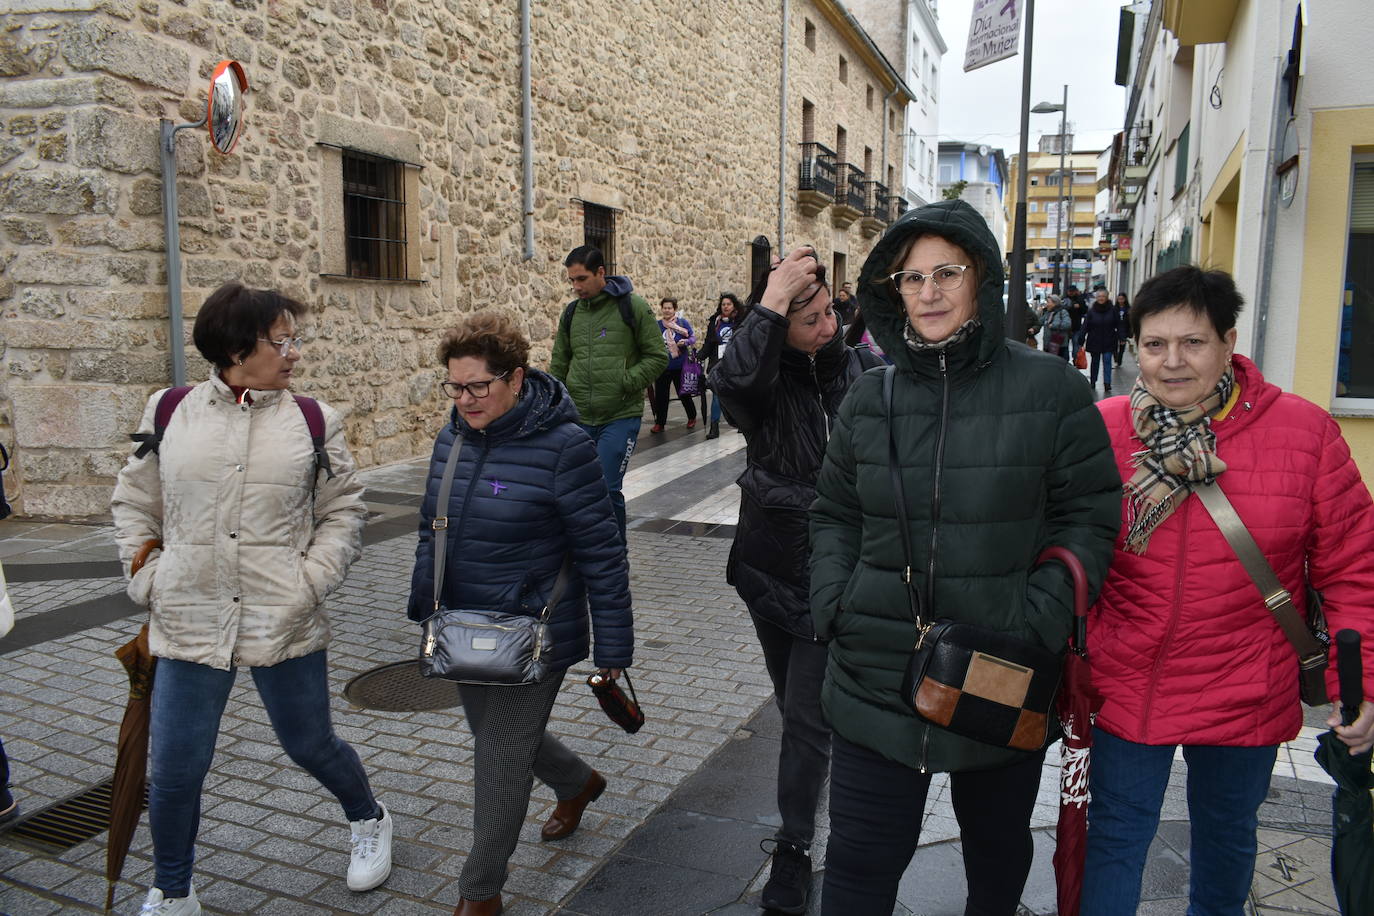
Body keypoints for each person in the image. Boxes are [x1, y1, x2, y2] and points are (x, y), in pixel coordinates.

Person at [808, 198, 1122, 915]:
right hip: (873, 672)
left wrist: (1033, 616)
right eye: (910, 279)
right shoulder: (868, 397)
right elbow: (835, 513)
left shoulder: (1052, 391)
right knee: (858, 867)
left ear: (980, 276)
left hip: (1003, 667)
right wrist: (837, 602)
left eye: (945, 272)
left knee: (997, 851)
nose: (928, 292)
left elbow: (1090, 515)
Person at [1080, 266, 1374, 915]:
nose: (1172, 362)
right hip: (1131, 681)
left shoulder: (1304, 433)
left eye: (1193, 342)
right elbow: (1063, 546)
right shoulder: (1101, 431)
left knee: (1226, 842)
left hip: (1249, 682)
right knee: (1115, 840)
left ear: (1229, 342)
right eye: (1155, 345)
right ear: (1134, 348)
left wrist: (1366, 685)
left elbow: (1355, 567)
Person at [111, 282, 390, 916]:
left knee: (310, 745)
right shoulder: (169, 411)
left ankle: (368, 817)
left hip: (280, 614)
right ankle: (173, 890)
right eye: (281, 340)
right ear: (238, 348)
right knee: (175, 769)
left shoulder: (313, 420)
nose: (294, 353)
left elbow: (344, 509)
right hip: (187, 615)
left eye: (294, 339)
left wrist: (310, 580)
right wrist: (147, 573)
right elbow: (134, 502)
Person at [409, 312, 633, 916]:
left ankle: (480, 892)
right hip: (463, 628)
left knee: (499, 756)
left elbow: (602, 552)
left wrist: (613, 647)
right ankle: (577, 782)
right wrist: (422, 607)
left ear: (516, 377)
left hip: (536, 634)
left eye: (477, 386)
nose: (464, 400)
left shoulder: (568, 448)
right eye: (455, 387)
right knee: (493, 736)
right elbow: (433, 529)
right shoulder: (451, 436)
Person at [709, 249, 883, 914]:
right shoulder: (763, 388)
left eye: (830, 311)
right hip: (769, 569)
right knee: (793, 707)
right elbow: (730, 384)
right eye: (807, 318)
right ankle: (810, 784)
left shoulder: (865, 373)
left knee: (807, 718)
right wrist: (771, 300)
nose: (827, 327)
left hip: (835, 579)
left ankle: (794, 844)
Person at [550, 245, 668, 545]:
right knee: (576, 488)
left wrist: (626, 382)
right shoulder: (572, 312)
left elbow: (657, 357)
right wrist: (553, 404)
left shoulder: (633, 307)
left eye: (582, 278)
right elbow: (560, 362)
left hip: (620, 416)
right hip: (578, 417)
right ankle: (584, 551)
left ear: (601, 272)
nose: (576, 287)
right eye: (571, 281)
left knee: (605, 486)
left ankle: (613, 554)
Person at [650, 297, 698, 433]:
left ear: (674, 309)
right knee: (661, 397)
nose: (667, 310)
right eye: (664, 308)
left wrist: (686, 342)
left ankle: (692, 417)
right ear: (661, 309)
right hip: (662, 366)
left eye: (669, 308)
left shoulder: (682, 323)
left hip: (679, 365)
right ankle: (660, 423)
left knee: (683, 394)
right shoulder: (657, 325)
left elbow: (692, 337)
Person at [701, 292, 743, 439]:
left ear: (734, 306)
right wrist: (699, 356)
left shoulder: (741, 321)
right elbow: (708, 343)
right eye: (723, 304)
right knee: (717, 395)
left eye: (728, 304)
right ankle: (714, 427)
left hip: (736, 362)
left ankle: (741, 423)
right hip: (717, 363)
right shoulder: (715, 322)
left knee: (737, 394)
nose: (725, 307)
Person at [1079, 287, 1124, 392]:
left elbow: (1119, 325)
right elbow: (1085, 326)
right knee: (1095, 362)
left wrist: (1122, 337)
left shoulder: (1113, 310)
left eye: (1103, 296)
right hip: (1094, 340)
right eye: (1099, 296)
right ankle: (1093, 381)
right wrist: (1081, 338)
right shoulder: (1092, 311)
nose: (1101, 298)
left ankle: (1107, 383)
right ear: (1096, 298)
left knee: (1107, 361)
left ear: (1107, 297)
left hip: (1109, 339)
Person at [1042, 293, 1073, 360]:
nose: (1047, 304)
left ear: (1055, 303)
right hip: (1048, 344)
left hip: (1060, 345)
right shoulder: (1047, 313)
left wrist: (1054, 325)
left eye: (1048, 302)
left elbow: (1067, 324)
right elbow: (1040, 322)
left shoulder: (1063, 312)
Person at [1113, 292, 1131, 364]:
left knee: (1122, 345)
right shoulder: (1114, 308)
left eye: (1122, 299)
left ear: (1125, 299)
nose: (1120, 301)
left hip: (1124, 329)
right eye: (1119, 299)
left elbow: (1130, 321)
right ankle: (1116, 358)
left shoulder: (1128, 308)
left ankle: (1119, 360)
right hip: (1115, 328)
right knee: (1114, 346)